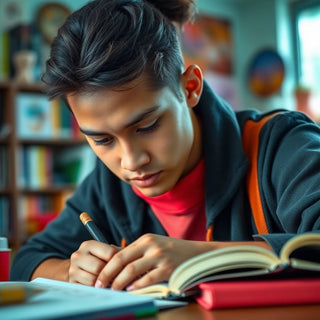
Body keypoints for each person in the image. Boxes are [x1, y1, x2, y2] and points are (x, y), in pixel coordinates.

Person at [11, 0, 320, 292]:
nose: (131, 161)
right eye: (102, 140)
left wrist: (205, 260)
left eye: (147, 126)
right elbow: (27, 261)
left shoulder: (282, 144)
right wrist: (71, 271)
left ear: (190, 88)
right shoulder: (107, 186)